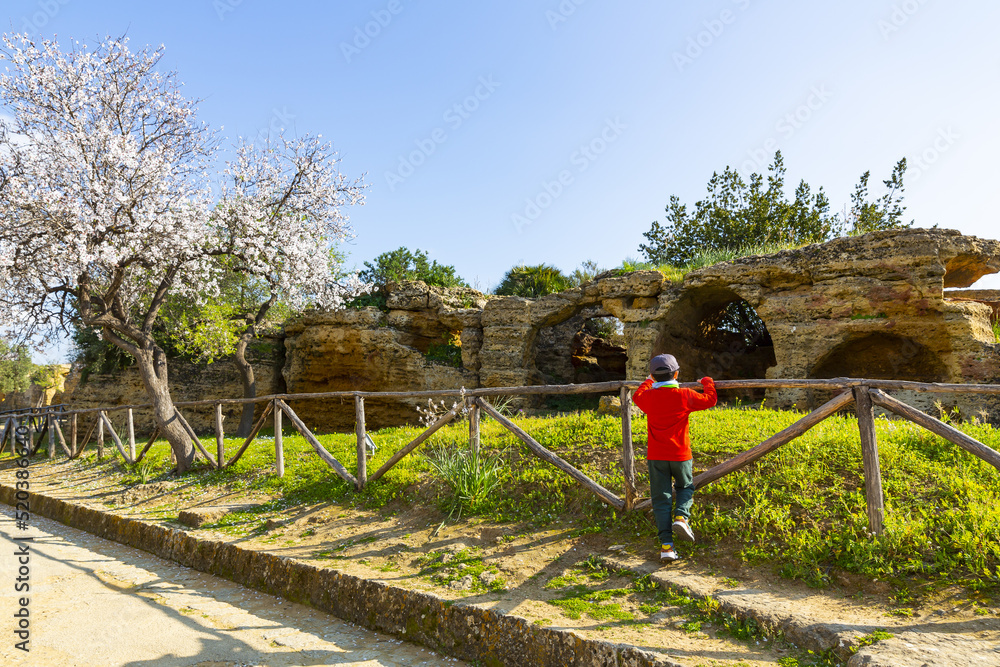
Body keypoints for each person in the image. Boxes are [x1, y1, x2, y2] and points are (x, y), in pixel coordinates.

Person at [633, 353, 717, 562]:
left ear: (653, 375)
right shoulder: (685, 395)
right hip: (680, 454)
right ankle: (681, 516)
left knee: (661, 499)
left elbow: (637, 395)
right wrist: (707, 382)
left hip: (656, 456)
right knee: (685, 487)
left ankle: (666, 547)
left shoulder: (647, 397)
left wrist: (647, 381)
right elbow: (711, 400)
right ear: (676, 374)